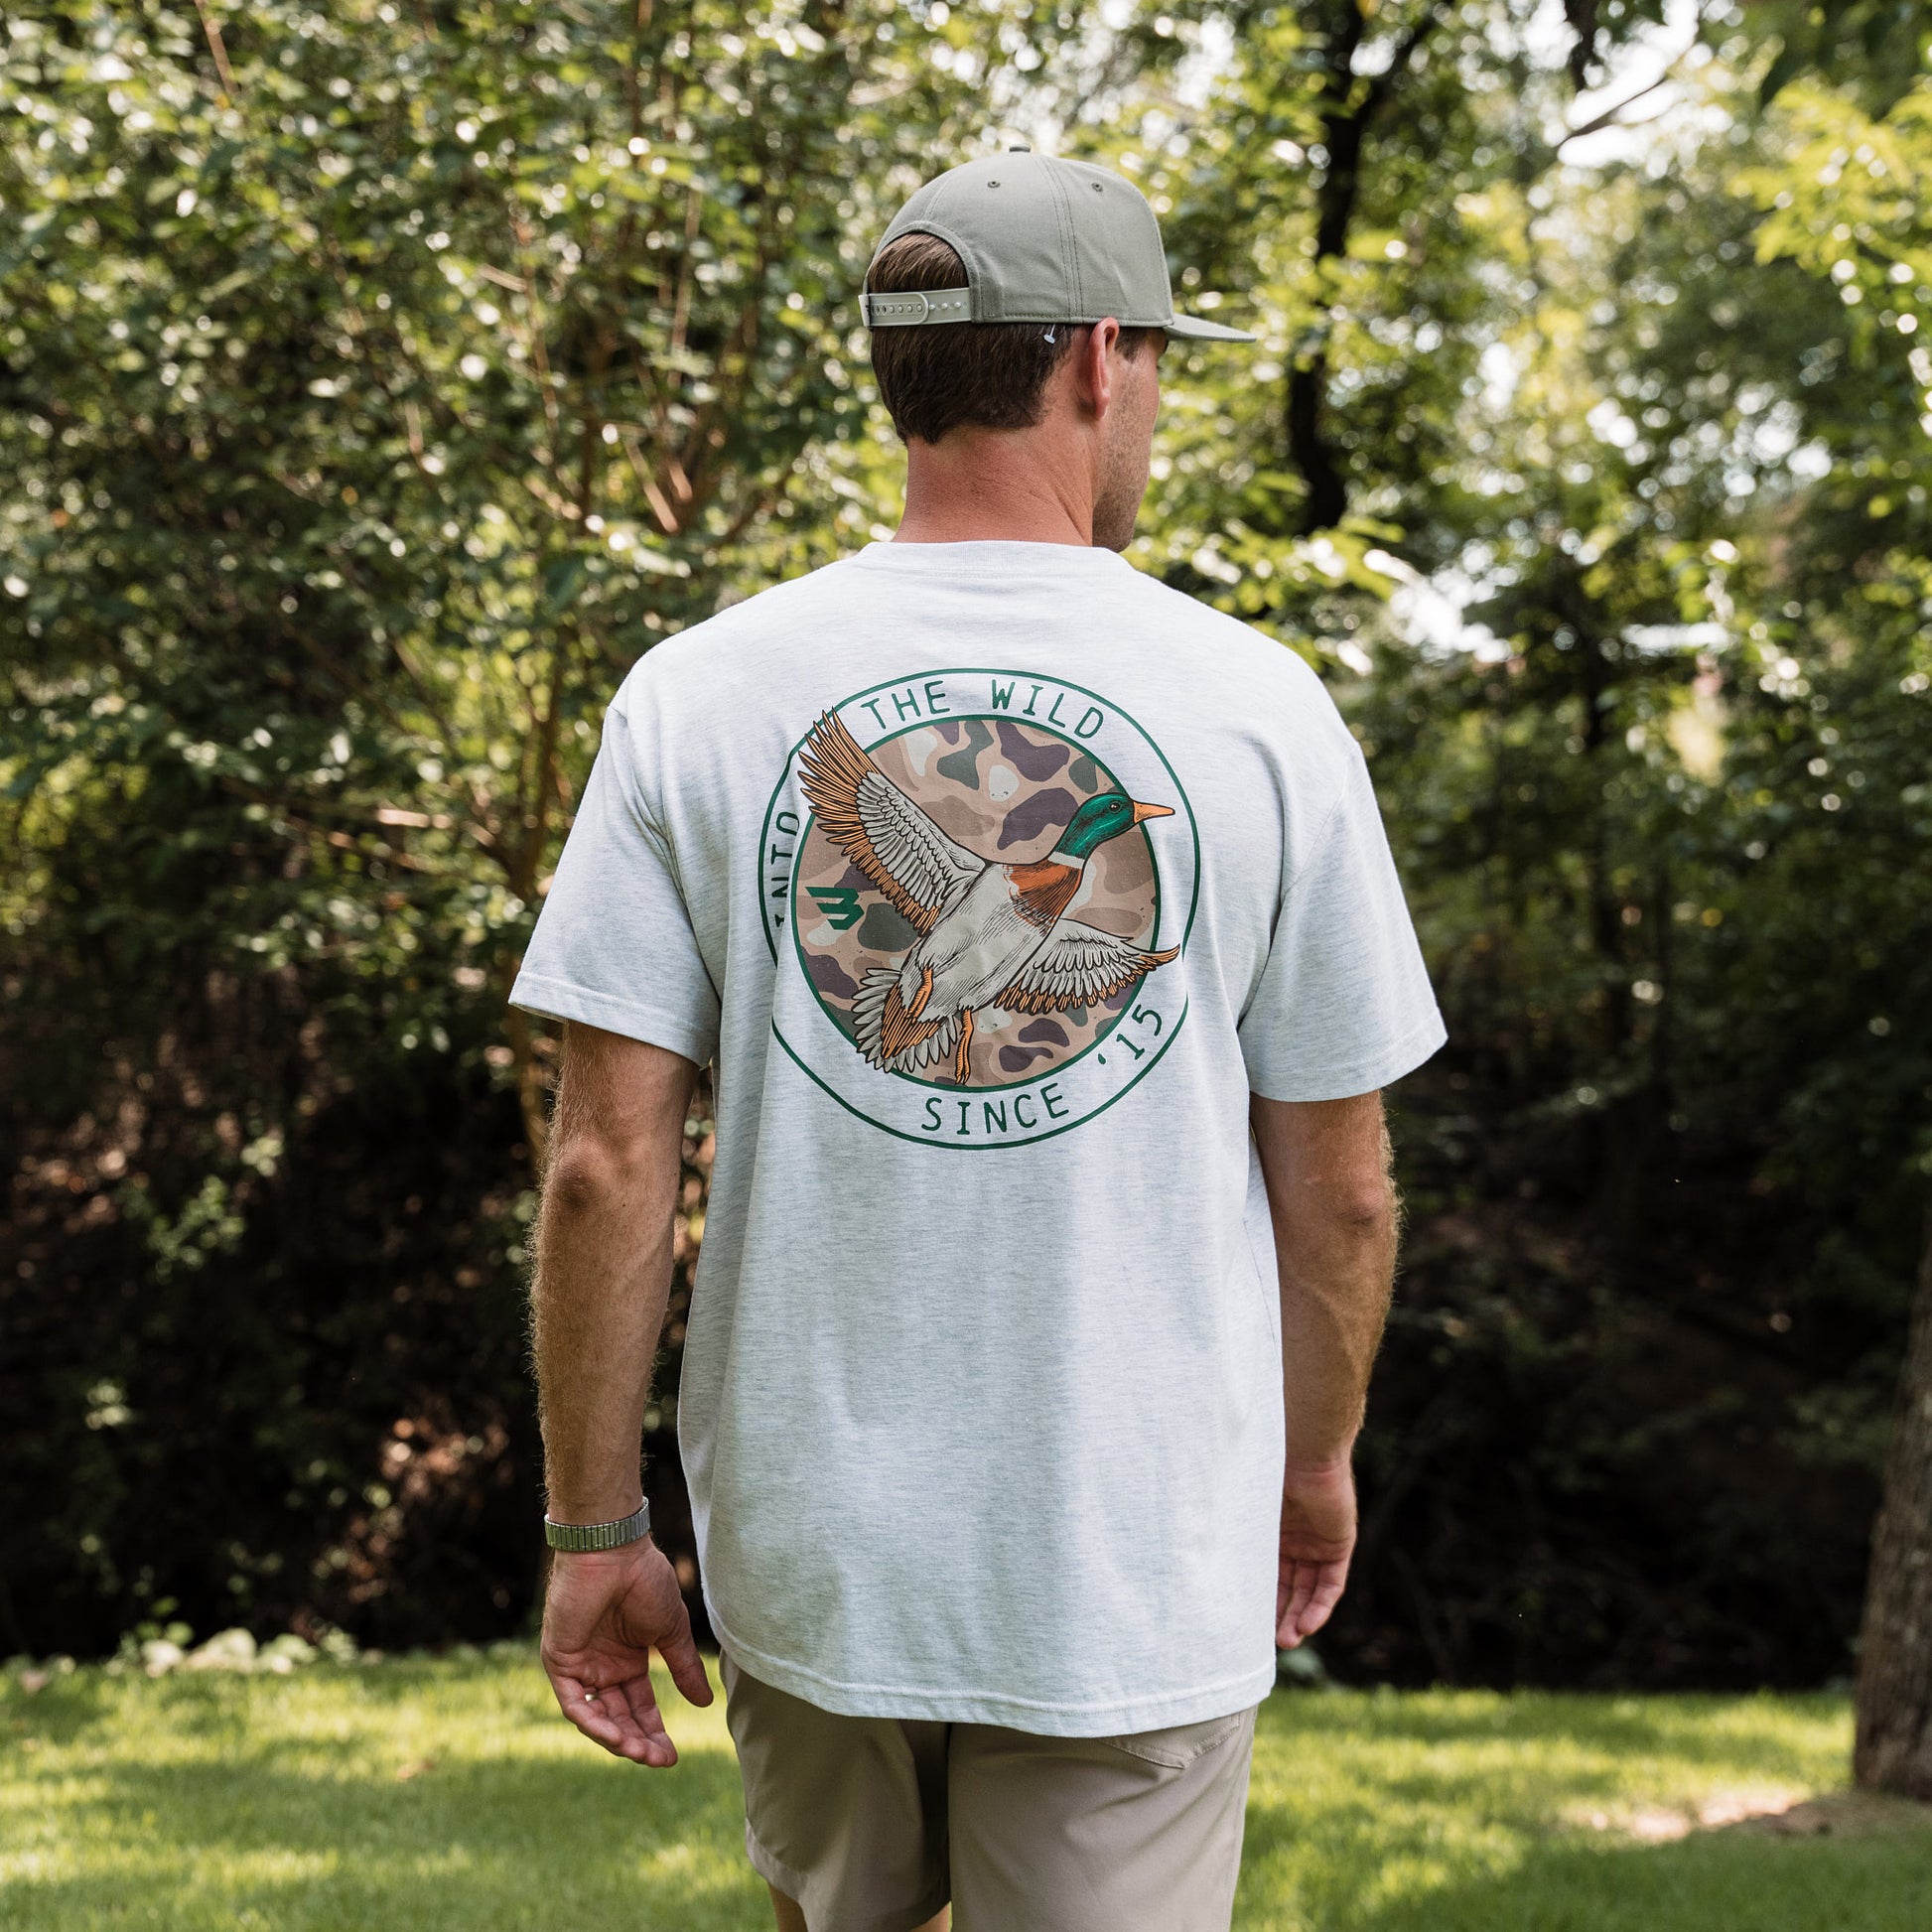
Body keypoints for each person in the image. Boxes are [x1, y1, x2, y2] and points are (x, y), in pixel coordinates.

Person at [512, 149, 1444, 1932]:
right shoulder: (1258, 710)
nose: (1152, 400)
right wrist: (1310, 1466)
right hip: (1130, 1541)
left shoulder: (698, 693)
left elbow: (601, 1164)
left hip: (815, 1551)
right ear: (1099, 359)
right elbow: (1337, 1191)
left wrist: (589, 1526)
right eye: (1160, 362)